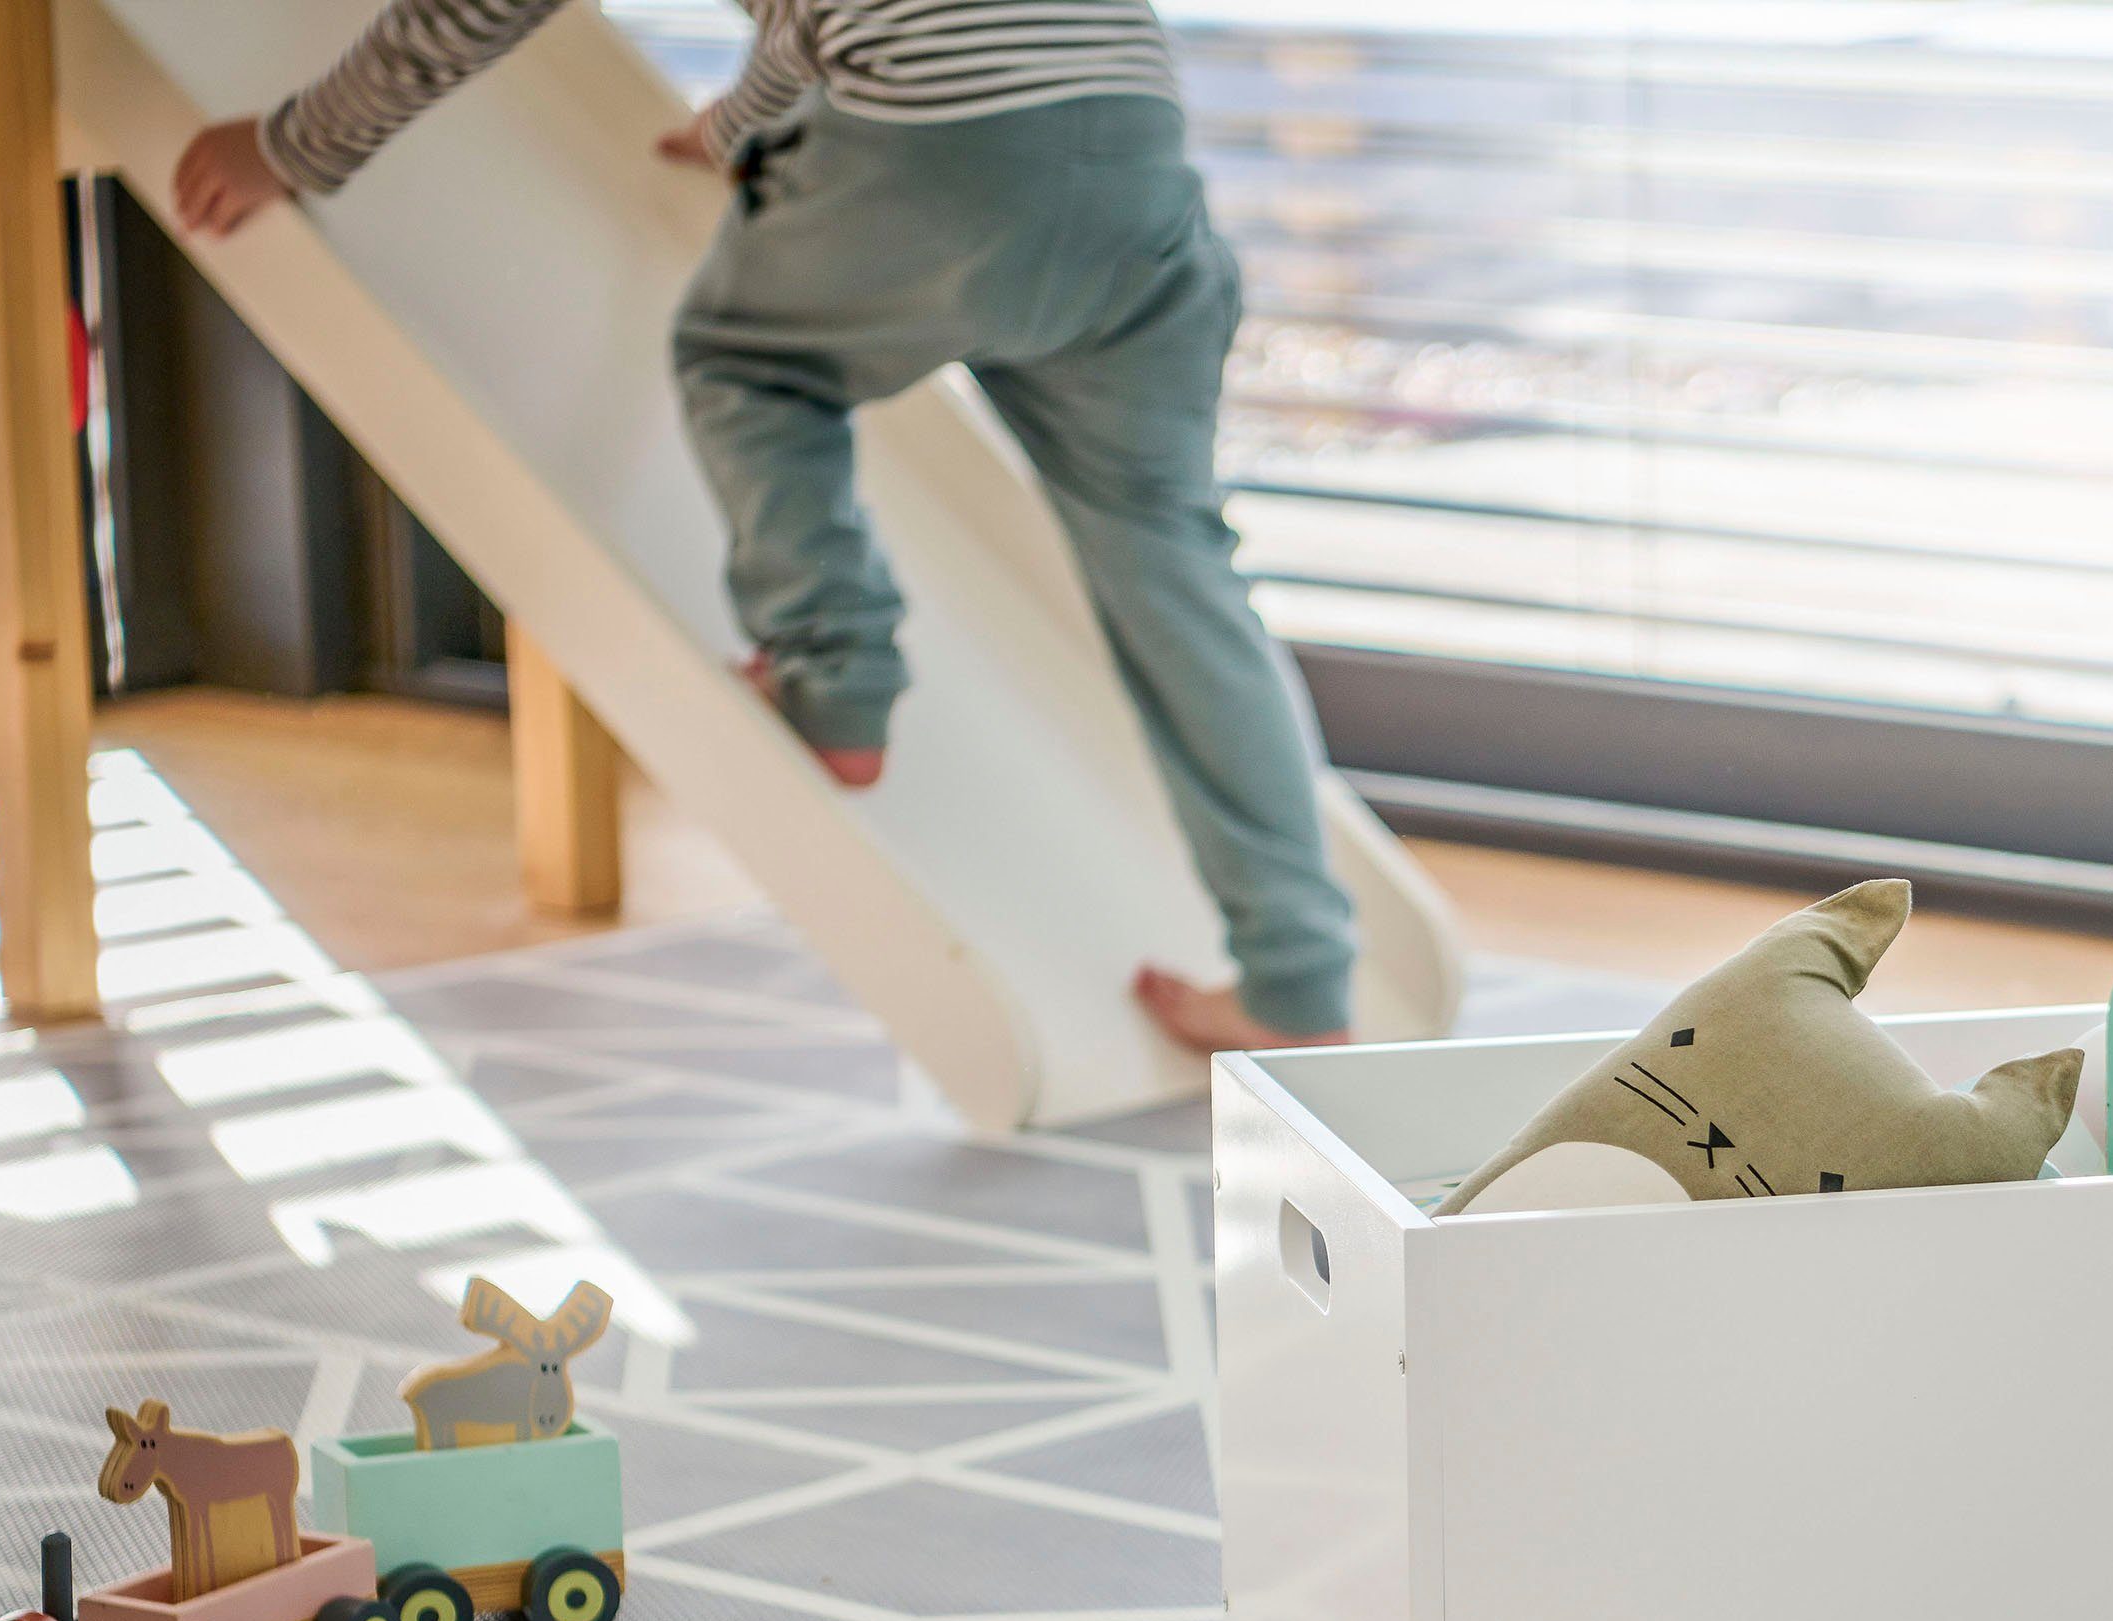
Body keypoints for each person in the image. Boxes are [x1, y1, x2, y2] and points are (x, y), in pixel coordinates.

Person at [171, 0, 1356, 1054]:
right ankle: (1299, 979)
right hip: (1134, 155)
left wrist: (289, 144)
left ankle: (833, 674)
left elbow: (471, 13)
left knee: (748, 361)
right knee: (1175, 563)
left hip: (947, 149)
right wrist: (741, 122)